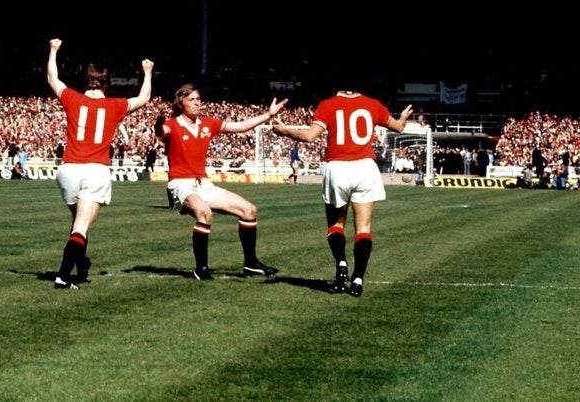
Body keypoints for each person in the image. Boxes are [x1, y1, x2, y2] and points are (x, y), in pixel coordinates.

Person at [272, 88, 413, 297]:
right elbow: (399, 127)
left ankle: (341, 264)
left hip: (338, 167)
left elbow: (310, 136)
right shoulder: (372, 103)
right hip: (365, 167)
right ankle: (357, 279)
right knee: (363, 228)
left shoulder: (328, 104)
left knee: (336, 224)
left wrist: (285, 131)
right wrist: (402, 117)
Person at [46, 38, 153, 290]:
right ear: (107, 83)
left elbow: (52, 78)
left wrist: (53, 51)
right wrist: (147, 72)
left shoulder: (72, 98)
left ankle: (81, 265)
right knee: (81, 225)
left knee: (77, 223)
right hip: (95, 170)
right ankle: (63, 276)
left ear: (87, 80)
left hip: (68, 170)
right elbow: (144, 98)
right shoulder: (114, 106)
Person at [155, 83, 287, 281]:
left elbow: (241, 127)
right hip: (180, 184)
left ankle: (251, 264)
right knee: (204, 213)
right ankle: (201, 269)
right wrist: (158, 124)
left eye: (198, 99)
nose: (197, 102)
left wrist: (268, 115)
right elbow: (161, 132)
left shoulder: (208, 123)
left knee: (248, 210)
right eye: (192, 99)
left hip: (203, 184)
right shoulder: (173, 124)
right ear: (180, 103)